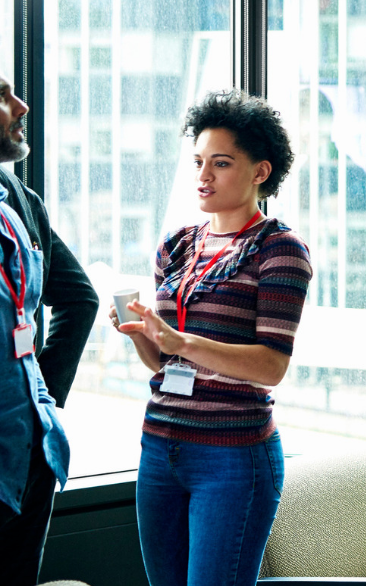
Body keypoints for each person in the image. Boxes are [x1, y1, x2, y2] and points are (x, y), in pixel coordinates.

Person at [109, 90, 312, 586]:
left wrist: (183, 344)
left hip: (231, 456)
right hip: (159, 446)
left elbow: (271, 366)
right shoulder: (177, 245)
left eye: (220, 164)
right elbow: (164, 365)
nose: (203, 176)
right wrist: (140, 335)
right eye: (199, 161)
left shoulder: (279, 250)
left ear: (260, 172)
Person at [0, 73, 98, 584]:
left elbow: (81, 301)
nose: (22, 106)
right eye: (0, 96)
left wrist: (43, 395)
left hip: (28, 452)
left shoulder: (20, 199)